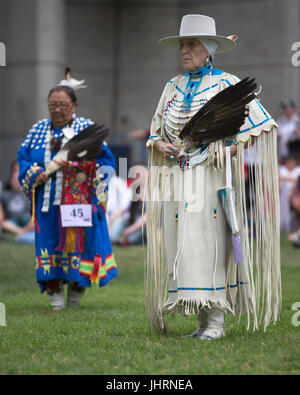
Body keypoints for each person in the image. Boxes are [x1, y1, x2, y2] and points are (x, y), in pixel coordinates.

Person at [145, 15, 281, 339]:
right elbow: (154, 132)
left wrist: (228, 149)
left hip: (211, 179)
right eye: (181, 44)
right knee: (182, 246)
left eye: (191, 44)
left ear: (208, 49)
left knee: (207, 243)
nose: (184, 50)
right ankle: (201, 322)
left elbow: (262, 125)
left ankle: (217, 322)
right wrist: (161, 144)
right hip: (179, 180)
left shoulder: (226, 84)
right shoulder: (172, 87)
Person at [17, 83, 117, 311]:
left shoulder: (86, 129)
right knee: (49, 246)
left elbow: (107, 162)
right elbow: (23, 158)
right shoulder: (38, 129)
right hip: (47, 206)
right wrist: (33, 173)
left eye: (63, 105)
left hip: (78, 203)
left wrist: (83, 170)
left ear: (74, 106)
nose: (57, 110)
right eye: (53, 105)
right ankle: (54, 298)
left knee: (78, 247)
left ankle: (75, 294)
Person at [0, 161, 35, 243]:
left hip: (27, 223)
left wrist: (24, 230)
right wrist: (18, 231)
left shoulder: (30, 194)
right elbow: (2, 220)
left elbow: (33, 221)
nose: (17, 176)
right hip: (11, 224)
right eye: (14, 172)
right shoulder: (5, 195)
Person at [106, 174, 132, 243]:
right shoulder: (98, 181)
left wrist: (113, 217)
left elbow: (125, 204)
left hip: (116, 215)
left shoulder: (118, 182)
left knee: (112, 237)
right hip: (104, 214)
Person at [279, 156, 300, 233]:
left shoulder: (297, 170)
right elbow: (279, 178)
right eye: (289, 162)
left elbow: (297, 181)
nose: (291, 164)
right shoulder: (282, 169)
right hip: (283, 194)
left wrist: (286, 178)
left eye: (292, 162)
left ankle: (290, 228)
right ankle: (283, 226)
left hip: (294, 194)